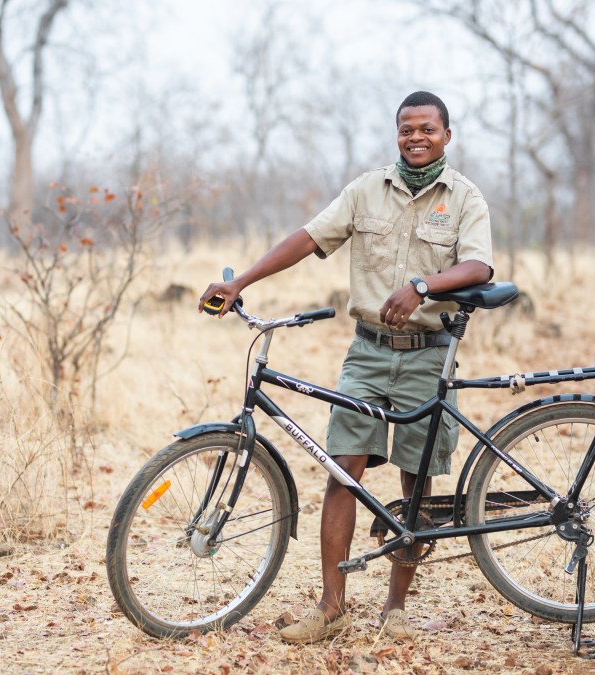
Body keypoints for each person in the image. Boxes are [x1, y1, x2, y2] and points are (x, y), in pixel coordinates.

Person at [198, 91, 494, 644]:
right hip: (368, 353)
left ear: (446, 136)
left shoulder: (464, 198)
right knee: (342, 472)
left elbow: (478, 265)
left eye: (427, 129)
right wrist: (242, 282)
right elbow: (308, 238)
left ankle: (396, 610)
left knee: (415, 485)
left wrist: (422, 286)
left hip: (429, 353)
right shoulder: (366, 190)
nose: (416, 137)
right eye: (407, 129)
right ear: (397, 134)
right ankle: (331, 608)